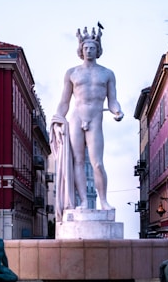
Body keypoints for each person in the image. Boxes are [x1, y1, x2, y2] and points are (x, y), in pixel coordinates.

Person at [50, 26, 123, 220]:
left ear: (98, 50)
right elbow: (64, 102)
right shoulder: (72, 73)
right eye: (86, 48)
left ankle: (103, 201)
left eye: (92, 48)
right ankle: (83, 200)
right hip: (76, 118)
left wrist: (117, 111)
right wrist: (58, 119)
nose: (89, 50)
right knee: (78, 161)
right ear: (81, 50)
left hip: (95, 119)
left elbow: (112, 100)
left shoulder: (107, 74)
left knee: (97, 163)